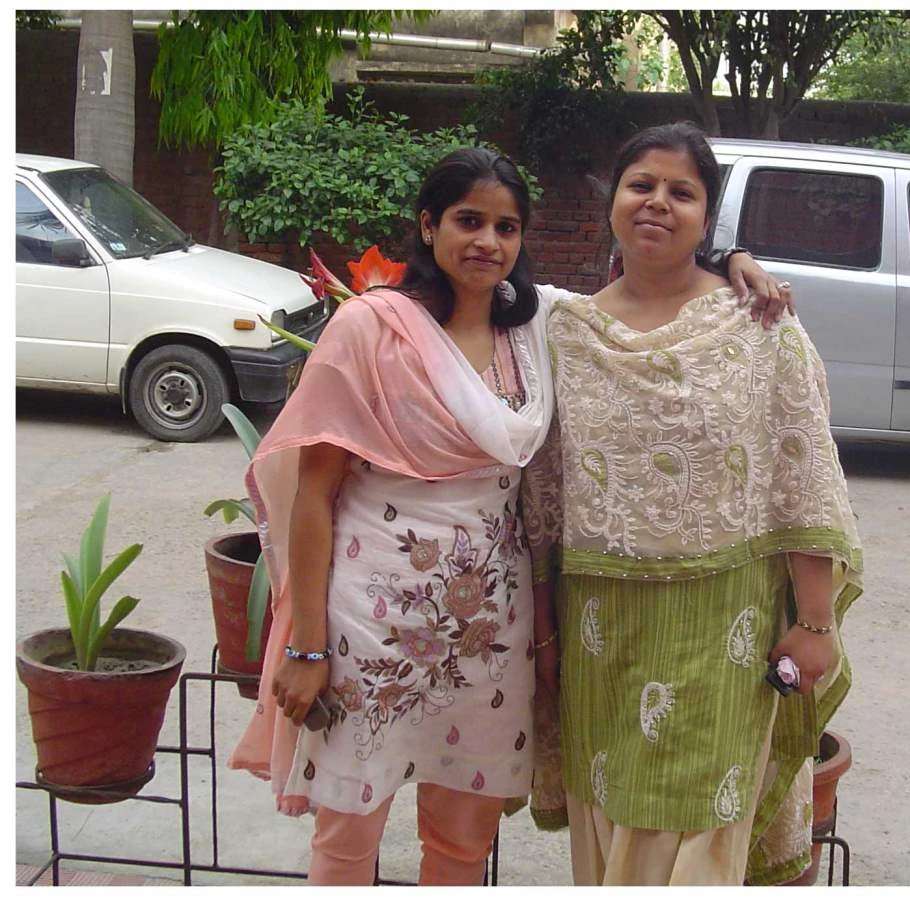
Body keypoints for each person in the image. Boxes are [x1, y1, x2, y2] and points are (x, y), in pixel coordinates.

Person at [228, 145, 791, 885]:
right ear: (427, 226)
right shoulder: (370, 327)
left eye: (506, 227)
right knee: (346, 837)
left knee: (463, 841)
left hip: (491, 630)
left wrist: (730, 260)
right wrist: (306, 648)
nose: (487, 243)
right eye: (468, 221)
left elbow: (648, 290)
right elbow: (313, 494)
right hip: (367, 622)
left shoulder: (541, 327)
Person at [522, 122, 863, 886]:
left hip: (725, 630)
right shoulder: (565, 332)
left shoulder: (756, 325)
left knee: (702, 822)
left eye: (681, 192)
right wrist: (542, 636)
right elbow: (541, 503)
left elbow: (800, 475)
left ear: (706, 219)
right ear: (612, 199)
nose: (657, 202)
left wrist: (815, 623)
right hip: (601, 634)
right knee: (610, 818)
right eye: (640, 184)